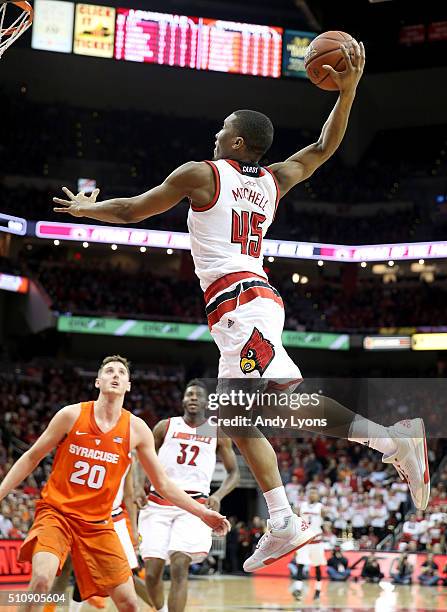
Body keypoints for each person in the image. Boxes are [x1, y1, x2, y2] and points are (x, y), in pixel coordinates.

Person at [53, 40, 430, 571]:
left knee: (242, 410)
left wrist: (89, 212)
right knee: (239, 413)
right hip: (253, 301)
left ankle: (382, 448)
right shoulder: (275, 180)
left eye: (220, 128)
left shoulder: (202, 173)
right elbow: (323, 147)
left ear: (233, 139)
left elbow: (137, 209)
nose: (214, 133)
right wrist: (348, 92)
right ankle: (293, 512)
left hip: (238, 303)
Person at [0, 356, 229, 612]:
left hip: (99, 524)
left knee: (129, 603)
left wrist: (202, 512)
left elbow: (162, 483)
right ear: (98, 381)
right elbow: (31, 456)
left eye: (121, 372)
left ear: (128, 385)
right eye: (109, 371)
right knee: (42, 580)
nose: (115, 375)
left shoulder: (137, 429)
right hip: (57, 514)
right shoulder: (71, 415)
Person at [136, 379, 239, 612]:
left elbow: (234, 474)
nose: (193, 398)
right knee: (152, 574)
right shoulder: (166, 426)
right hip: (158, 502)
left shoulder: (215, 431)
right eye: (189, 394)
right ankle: (160, 609)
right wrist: (138, 486)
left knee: (180, 566)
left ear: (207, 402)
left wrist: (220, 495)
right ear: (183, 400)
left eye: (198, 395)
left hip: (195, 506)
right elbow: (142, 457)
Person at [291, 488, 327, 600]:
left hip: (317, 541)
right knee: (300, 564)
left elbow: (325, 520)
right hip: (304, 541)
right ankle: (297, 589)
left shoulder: (321, 507)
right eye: (311, 493)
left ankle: (318, 590)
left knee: (317, 566)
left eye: (314, 493)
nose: (312, 495)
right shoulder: (301, 506)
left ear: (318, 495)